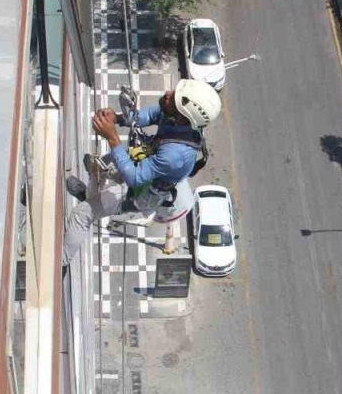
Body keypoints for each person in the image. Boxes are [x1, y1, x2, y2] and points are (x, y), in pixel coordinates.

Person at [62, 79, 222, 266]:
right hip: (147, 162)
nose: (168, 94)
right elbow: (149, 116)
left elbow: (135, 178)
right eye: (174, 91)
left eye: (173, 98)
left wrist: (112, 137)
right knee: (104, 164)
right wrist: (118, 119)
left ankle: (61, 264)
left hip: (142, 192)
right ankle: (91, 195)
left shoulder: (175, 154)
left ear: (182, 117)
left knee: (80, 215)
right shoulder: (177, 116)